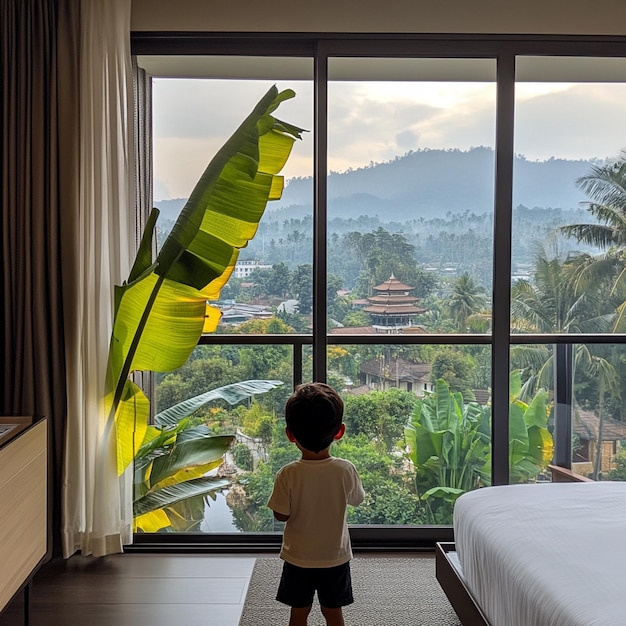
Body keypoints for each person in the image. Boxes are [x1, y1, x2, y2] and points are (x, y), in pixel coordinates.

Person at [267, 382, 365, 626]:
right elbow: (357, 499)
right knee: (333, 613)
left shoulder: (287, 474)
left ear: (290, 434)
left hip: (298, 558)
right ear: (339, 431)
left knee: (298, 613)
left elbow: (281, 515)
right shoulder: (345, 469)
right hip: (335, 557)